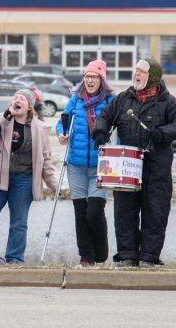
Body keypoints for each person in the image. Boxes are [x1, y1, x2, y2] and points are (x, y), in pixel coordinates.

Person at [92, 58, 176, 267]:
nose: (136, 73)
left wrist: (161, 133)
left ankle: (149, 256)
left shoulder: (167, 101)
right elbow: (104, 116)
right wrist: (100, 132)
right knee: (124, 212)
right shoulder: (123, 99)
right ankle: (127, 255)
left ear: (152, 77)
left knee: (155, 212)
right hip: (127, 167)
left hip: (157, 169)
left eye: (141, 71)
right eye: (135, 69)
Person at [0, 89, 58, 265]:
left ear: (30, 106)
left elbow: (45, 159)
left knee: (19, 222)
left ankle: (15, 259)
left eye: (22, 99)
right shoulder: (2, 119)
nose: (17, 100)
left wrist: (53, 184)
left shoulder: (40, 128)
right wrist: (6, 117)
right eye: (15, 98)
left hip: (24, 179)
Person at [55, 60, 114, 266]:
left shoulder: (109, 101)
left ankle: (101, 250)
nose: (90, 80)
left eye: (94, 77)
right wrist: (61, 133)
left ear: (102, 79)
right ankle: (86, 256)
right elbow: (62, 120)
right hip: (76, 164)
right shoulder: (76, 99)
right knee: (80, 212)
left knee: (94, 211)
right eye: (87, 76)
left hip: (101, 164)